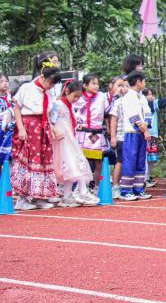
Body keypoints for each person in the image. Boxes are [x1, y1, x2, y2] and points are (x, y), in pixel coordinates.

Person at [11, 63, 62, 210]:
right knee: (27, 161)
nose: (51, 86)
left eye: (53, 84)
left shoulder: (49, 92)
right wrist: (21, 128)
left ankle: (39, 197)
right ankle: (22, 198)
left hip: (43, 128)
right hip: (29, 126)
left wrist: (52, 129)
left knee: (43, 162)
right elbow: (17, 108)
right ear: (42, 76)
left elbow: (46, 113)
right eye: (49, 82)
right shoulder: (27, 88)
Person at [51, 80, 99, 207]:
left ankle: (70, 194)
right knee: (70, 164)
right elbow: (50, 121)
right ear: (67, 91)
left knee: (72, 165)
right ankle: (79, 192)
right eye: (75, 96)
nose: (76, 99)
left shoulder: (70, 106)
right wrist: (55, 131)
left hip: (69, 138)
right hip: (61, 139)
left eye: (79, 97)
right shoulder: (57, 104)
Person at [117, 70, 152, 201]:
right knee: (130, 160)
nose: (144, 83)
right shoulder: (128, 97)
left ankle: (138, 189)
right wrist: (144, 129)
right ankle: (125, 191)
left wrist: (146, 125)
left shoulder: (142, 97)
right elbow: (133, 117)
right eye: (144, 81)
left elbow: (148, 113)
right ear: (138, 82)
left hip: (141, 133)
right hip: (132, 133)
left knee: (140, 161)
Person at [73, 73, 111, 188]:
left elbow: (107, 112)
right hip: (82, 133)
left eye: (97, 84)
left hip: (97, 133)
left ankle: (97, 186)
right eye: (93, 84)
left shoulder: (102, 97)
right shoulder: (78, 97)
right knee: (82, 161)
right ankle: (82, 186)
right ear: (84, 85)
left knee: (98, 161)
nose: (96, 86)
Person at [143, 87, 166, 187]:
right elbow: (161, 102)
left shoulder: (151, 106)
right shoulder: (146, 105)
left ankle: (147, 177)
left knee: (152, 158)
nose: (150, 97)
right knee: (145, 158)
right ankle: (144, 178)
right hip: (146, 135)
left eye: (152, 94)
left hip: (153, 135)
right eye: (148, 95)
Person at [0, 74, 15, 164]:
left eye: (6, 81)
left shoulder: (10, 97)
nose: (5, 83)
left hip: (9, 126)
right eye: (1, 81)